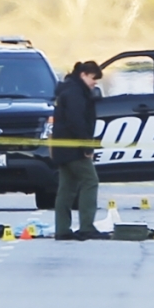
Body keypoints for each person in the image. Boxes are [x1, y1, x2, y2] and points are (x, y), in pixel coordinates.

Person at [52, 60, 108, 241]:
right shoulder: (76, 93)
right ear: (83, 75)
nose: (95, 83)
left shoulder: (68, 89)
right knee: (90, 181)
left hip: (63, 148)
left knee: (66, 188)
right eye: (93, 79)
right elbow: (77, 121)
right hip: (74, 147)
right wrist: (86, 145)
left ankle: (62, 229)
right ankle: (86, 226)